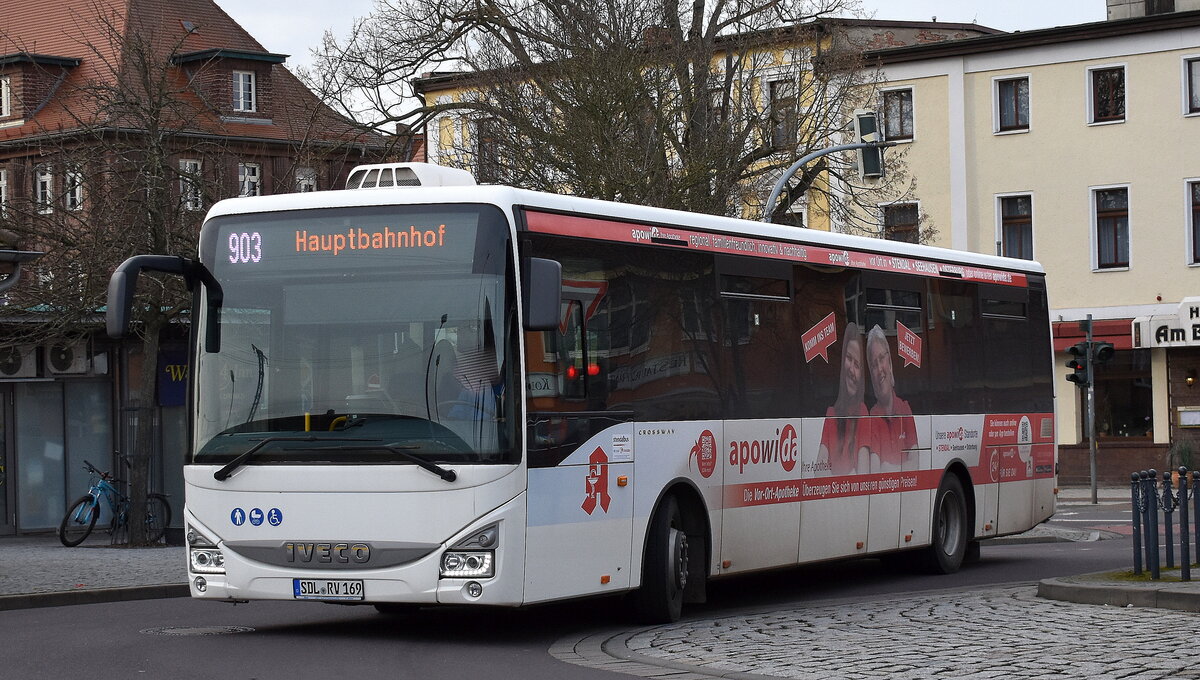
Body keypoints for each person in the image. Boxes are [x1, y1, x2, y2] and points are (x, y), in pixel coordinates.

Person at [818, 322, 870, 475]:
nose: (851, 370)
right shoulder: (831, 413)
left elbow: (863, 474)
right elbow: (819, 469)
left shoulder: (862, 412)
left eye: (857, 365)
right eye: (848, 358)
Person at [865, 324, 917, 471]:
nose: (880, 368)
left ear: (890, 363)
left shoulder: (904, 408)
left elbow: (916, 462)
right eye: (874, 365)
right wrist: (903, 467)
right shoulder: (872, 417)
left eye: (882, 358)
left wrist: (888, 467)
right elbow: (875, 471)